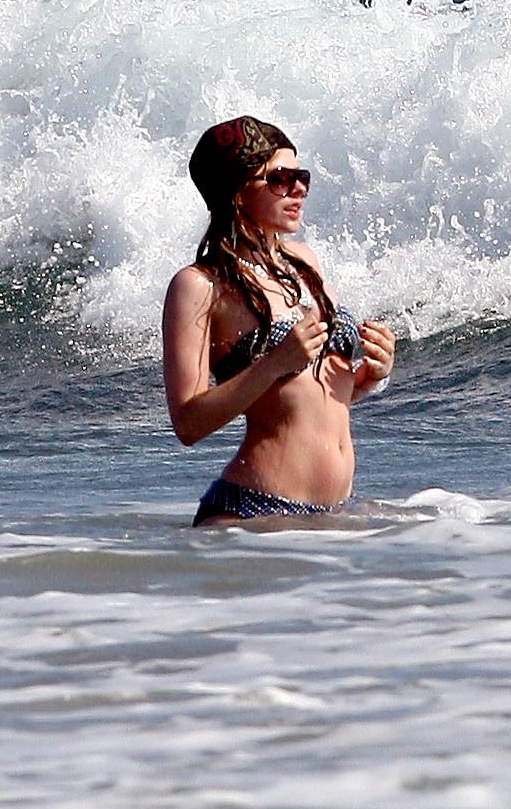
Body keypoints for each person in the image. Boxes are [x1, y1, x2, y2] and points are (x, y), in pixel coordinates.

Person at [162, 116, 397, 526]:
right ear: (237, 190)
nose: (299, 188)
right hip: (252, 512)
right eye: (280, 179)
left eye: (301, 176)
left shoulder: (304, 262)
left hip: (333, 513)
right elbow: (188, 423)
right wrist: (275, 363)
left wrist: (370, 375)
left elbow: (305, 400)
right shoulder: (199, 285)